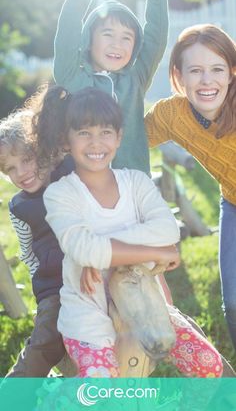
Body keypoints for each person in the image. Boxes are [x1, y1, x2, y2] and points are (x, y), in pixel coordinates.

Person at [33, 84, 223, 378]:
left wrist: (104, 253)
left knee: (208, 365)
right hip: (89, 317)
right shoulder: (60, 194)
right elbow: (84, 249)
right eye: (84, 133)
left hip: (146, 306)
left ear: (119, 137)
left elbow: (167, 230)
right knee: (103, 386)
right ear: (66, 140)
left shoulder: (136, 182)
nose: (96, 143)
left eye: (106, 132)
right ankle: (57, 400)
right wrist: (153, 251)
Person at [145, 23, 236, 350]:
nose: (207, 80)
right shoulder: (172, 114)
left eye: (217, 69)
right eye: (195, 70)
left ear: (231, 72)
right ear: (179, 76)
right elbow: (128, 140)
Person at [53, 0, 169, 175]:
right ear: (89, 41)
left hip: (133, 185)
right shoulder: (72, 77)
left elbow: (157, 37)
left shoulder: (136, 79)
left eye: (126, 38)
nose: (117, 44)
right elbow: (69, 24)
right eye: (108, 34)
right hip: (85, 189)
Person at [0, 109, 75, 377]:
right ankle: (13, 396)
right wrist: (43, 295)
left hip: (95, 272)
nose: (21, 172)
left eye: (27, 159)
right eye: (10, 168)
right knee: (45, 340)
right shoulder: (19, 207)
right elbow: (29, 254)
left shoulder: (70, 174)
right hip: (55, 287)